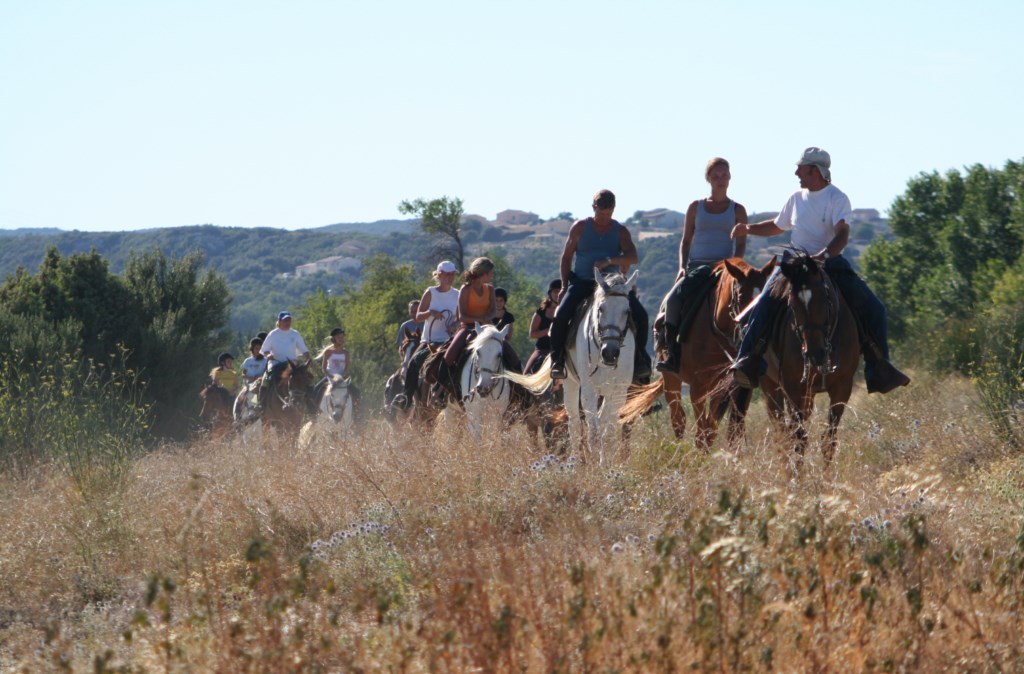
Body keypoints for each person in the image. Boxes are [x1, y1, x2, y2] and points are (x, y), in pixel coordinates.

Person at [728, 147, 910, 394]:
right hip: (793, 266)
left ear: (815, 170)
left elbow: (842, 234)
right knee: (760, 307)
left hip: (829, 263)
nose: (796, 173)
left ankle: (880, 367)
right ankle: (747, 360)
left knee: (874, 309)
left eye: (800, 168)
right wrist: (748, 229)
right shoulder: (795, 197)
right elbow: (777, 225)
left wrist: (823, 256)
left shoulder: (837, 198)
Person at [548, 189, 652, 382]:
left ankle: (640, 360)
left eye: (608, 213)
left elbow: (633, 257)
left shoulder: (620, 231)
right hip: (583, 282)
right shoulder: (580, 227)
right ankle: (557, 361)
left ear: (613, 209)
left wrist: (608, 261)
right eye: (600, 212)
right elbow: (566, 257)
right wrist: (564, 286)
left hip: (611, 286)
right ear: (594, 207)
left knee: (641, 316)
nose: (604, 217)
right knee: (561, 316)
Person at [656, 157, 748, 373]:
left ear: (730, 177)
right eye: (716, 176)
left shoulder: (738, 210)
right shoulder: (695, 207)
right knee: (672, 300)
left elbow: (741, 244)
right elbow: (686, 241)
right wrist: (682, 266)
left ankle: (748, 353)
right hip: (697, 266)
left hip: (724, 269)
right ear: (708, 179)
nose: (720, 179)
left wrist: (735, 267)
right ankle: (671, 351)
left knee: (747, 301)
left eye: (724, 175)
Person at [402, 261, 460, 405]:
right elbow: (418, 316)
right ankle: (407, 397)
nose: (450, 277)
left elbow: (460, 319)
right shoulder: (430, 292)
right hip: (429, 340)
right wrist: (430, 312)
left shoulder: (457, 294)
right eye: (447, 274)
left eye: (452, 274)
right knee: (413, 363)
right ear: (439, 275)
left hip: (449, 340)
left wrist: (455, 325)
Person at [443, 257, 496, 370]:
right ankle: (439, 386)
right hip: (468, 328)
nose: (492, 275)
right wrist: (481, 319)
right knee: (448, 357)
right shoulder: (466, 289)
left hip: (487, 327)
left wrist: (487, 319)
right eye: (491, 273)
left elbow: (493, 311)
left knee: (510, 355)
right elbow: (462, 317)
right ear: (484, 274)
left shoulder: (490, 289)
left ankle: (516, 386)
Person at [259, 312, 313, 407]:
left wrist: (308, 358)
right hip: (276, 364)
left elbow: (304, 349)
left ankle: (311, 407)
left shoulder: (295, 334)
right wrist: (268, 355)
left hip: (292, 365)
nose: (288, 322)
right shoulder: (273, 334)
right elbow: (264, 350)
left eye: (289, 320)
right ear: (279, 321)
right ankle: (261, 405)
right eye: (285, 320)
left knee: (306, 379)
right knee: (266, 381)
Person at [316, 326, 361, 411]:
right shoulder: (328, 352)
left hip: (341, 378)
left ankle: (357, 412)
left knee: (356, 391)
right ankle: (313, 413)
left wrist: (341, 376)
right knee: (316, 390)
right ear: (334, 339)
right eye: (338, 337)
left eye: (342, 337)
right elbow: (324, 368)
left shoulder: (346, 353)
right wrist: (330, 376)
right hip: (329, 377)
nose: (341, 339)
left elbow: (347, 367)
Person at [524, 279, 560, 374]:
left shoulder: (568, 311)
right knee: (526, 374)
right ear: (550, 293)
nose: (558, 294)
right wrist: (548, 331)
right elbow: (532, 334)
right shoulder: (541, 312)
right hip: (542, 349)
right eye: (556, 291)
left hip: (561, 350)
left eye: (561, 291)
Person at [396, 300, 422, 369]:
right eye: (412, 312)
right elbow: (401, 346)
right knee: (395, 378)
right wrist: (404, 360)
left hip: (423, 357)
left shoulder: (426, 324)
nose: (414, 314)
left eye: (416, 311)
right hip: (407, 359)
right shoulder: (405, 326)